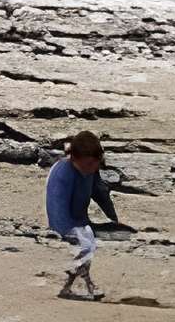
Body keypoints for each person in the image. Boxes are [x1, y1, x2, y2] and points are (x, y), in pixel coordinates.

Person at [45, 129, 121, 301]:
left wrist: (113, 218)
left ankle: (75, 285)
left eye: (96, 164)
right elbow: (56, 206)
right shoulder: (62, 172)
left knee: (89, 242)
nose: (93, 168)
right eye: (89, 165)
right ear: (74, 158)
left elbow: (100, 192)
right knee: (86, 245)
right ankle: (79, 285)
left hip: (81, 219)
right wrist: (66, 231)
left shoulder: (90, 168)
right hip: (65, 221)